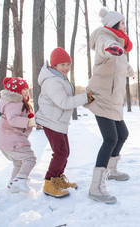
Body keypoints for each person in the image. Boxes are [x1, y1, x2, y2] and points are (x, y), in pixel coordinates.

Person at [84, 7, 134, 204]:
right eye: (122, 23)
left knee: (122, 135)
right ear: (113, 24)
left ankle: (111, 170)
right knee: (110, 138)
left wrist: (131, 71)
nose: (125, 26)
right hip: (102, 97)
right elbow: (107, 46)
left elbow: (122, 62)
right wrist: (111, 49)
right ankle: (95, 188)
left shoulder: (119, 46)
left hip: (113, 100)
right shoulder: (105, 37)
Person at [35, 47, 94, 198]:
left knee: (65, 152)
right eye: (62, 65)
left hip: (58, 122)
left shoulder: (59, 78)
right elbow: (64, 102)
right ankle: (49, 182)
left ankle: (58, 179)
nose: (66, 68)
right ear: (54, 66)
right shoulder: (52, 81)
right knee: (60, 153)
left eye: (68, 64)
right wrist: (85, 97)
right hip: (51, 121)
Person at [0, 77, 37, 193]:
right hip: (12, 140)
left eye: (27, 89)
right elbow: (12, 120)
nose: (26, 92)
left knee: (18, 162)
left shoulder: (18, 103)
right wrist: (29, 122)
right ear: (16, 92)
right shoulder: (14, 103)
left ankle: (12, 184)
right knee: (30, 159)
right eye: (23, 89)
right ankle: (21, 179)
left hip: (7, 140)